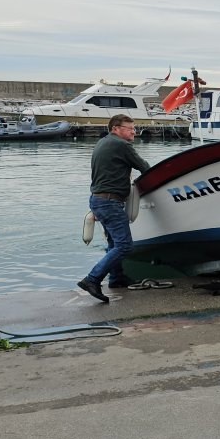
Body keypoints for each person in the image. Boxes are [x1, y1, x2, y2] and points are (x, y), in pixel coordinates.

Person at [77, 114, 151, 303]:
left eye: (134, 127)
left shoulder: (103, 143)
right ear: (115, 129)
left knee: (113, 243)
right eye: (129, 127)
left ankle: (117, 279)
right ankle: (92, 279)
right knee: (124, 246)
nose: (134, 131)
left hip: (98, 200)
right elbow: (144, 167)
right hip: (110, 202)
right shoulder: (121, 145)